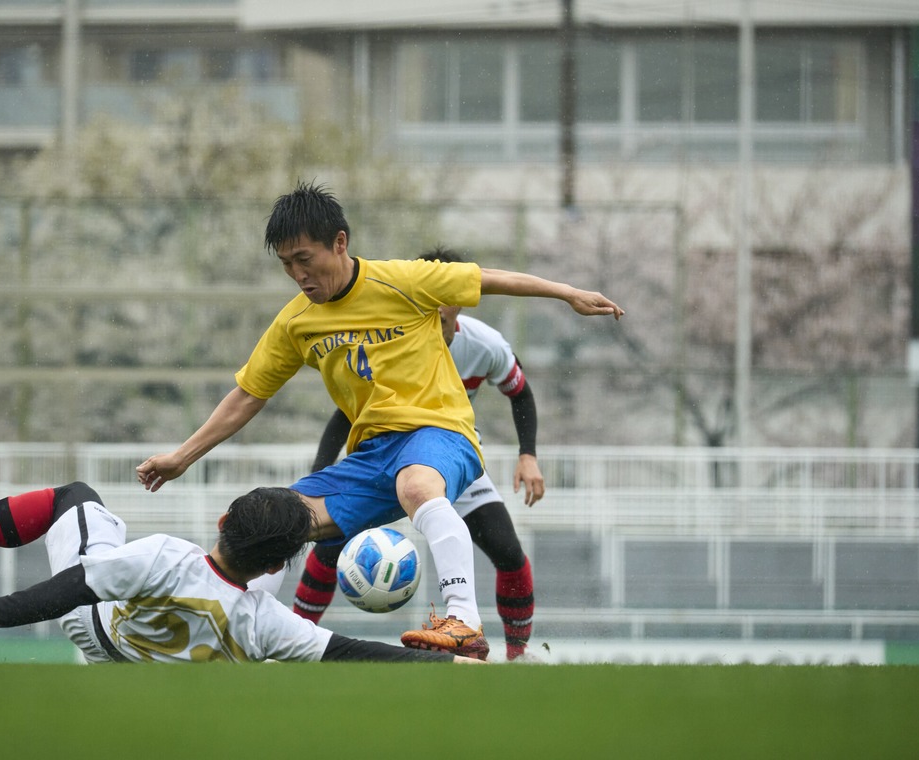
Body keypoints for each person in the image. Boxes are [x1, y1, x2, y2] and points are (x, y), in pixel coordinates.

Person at [136, 181, 623, 661]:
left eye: (305, 258)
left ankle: (465, 623)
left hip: (441, 431)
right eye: (287, 264)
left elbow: (490, 278)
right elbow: (247, 395)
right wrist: (182, 456)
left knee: (419, 488)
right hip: (370, 454)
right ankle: (229, 629)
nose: (298, 274)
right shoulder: (295, 322)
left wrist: (568, 293)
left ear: (340, 243)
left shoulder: (404, 280)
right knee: (270, 521)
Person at [0, 482, 482, 664]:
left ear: (220, 521)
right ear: (275, 564)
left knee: (73, 497)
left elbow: (63, 592)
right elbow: (356, 654)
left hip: (99, 632)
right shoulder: (268, 622)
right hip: (158, 663)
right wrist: (456, 663)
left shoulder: (163, 556)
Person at [293, 247, 543, 661]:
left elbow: (520, 393)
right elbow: (345, 413)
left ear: (457, 299)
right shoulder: (389, 331)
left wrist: (528, 455)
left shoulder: (485, 345)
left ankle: (517, 656)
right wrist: (324, 473)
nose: (432, 311)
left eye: (442, 304)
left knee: (507, 551)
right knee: (328, 542)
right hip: (386, 454)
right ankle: (297, 635)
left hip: (453, 452)